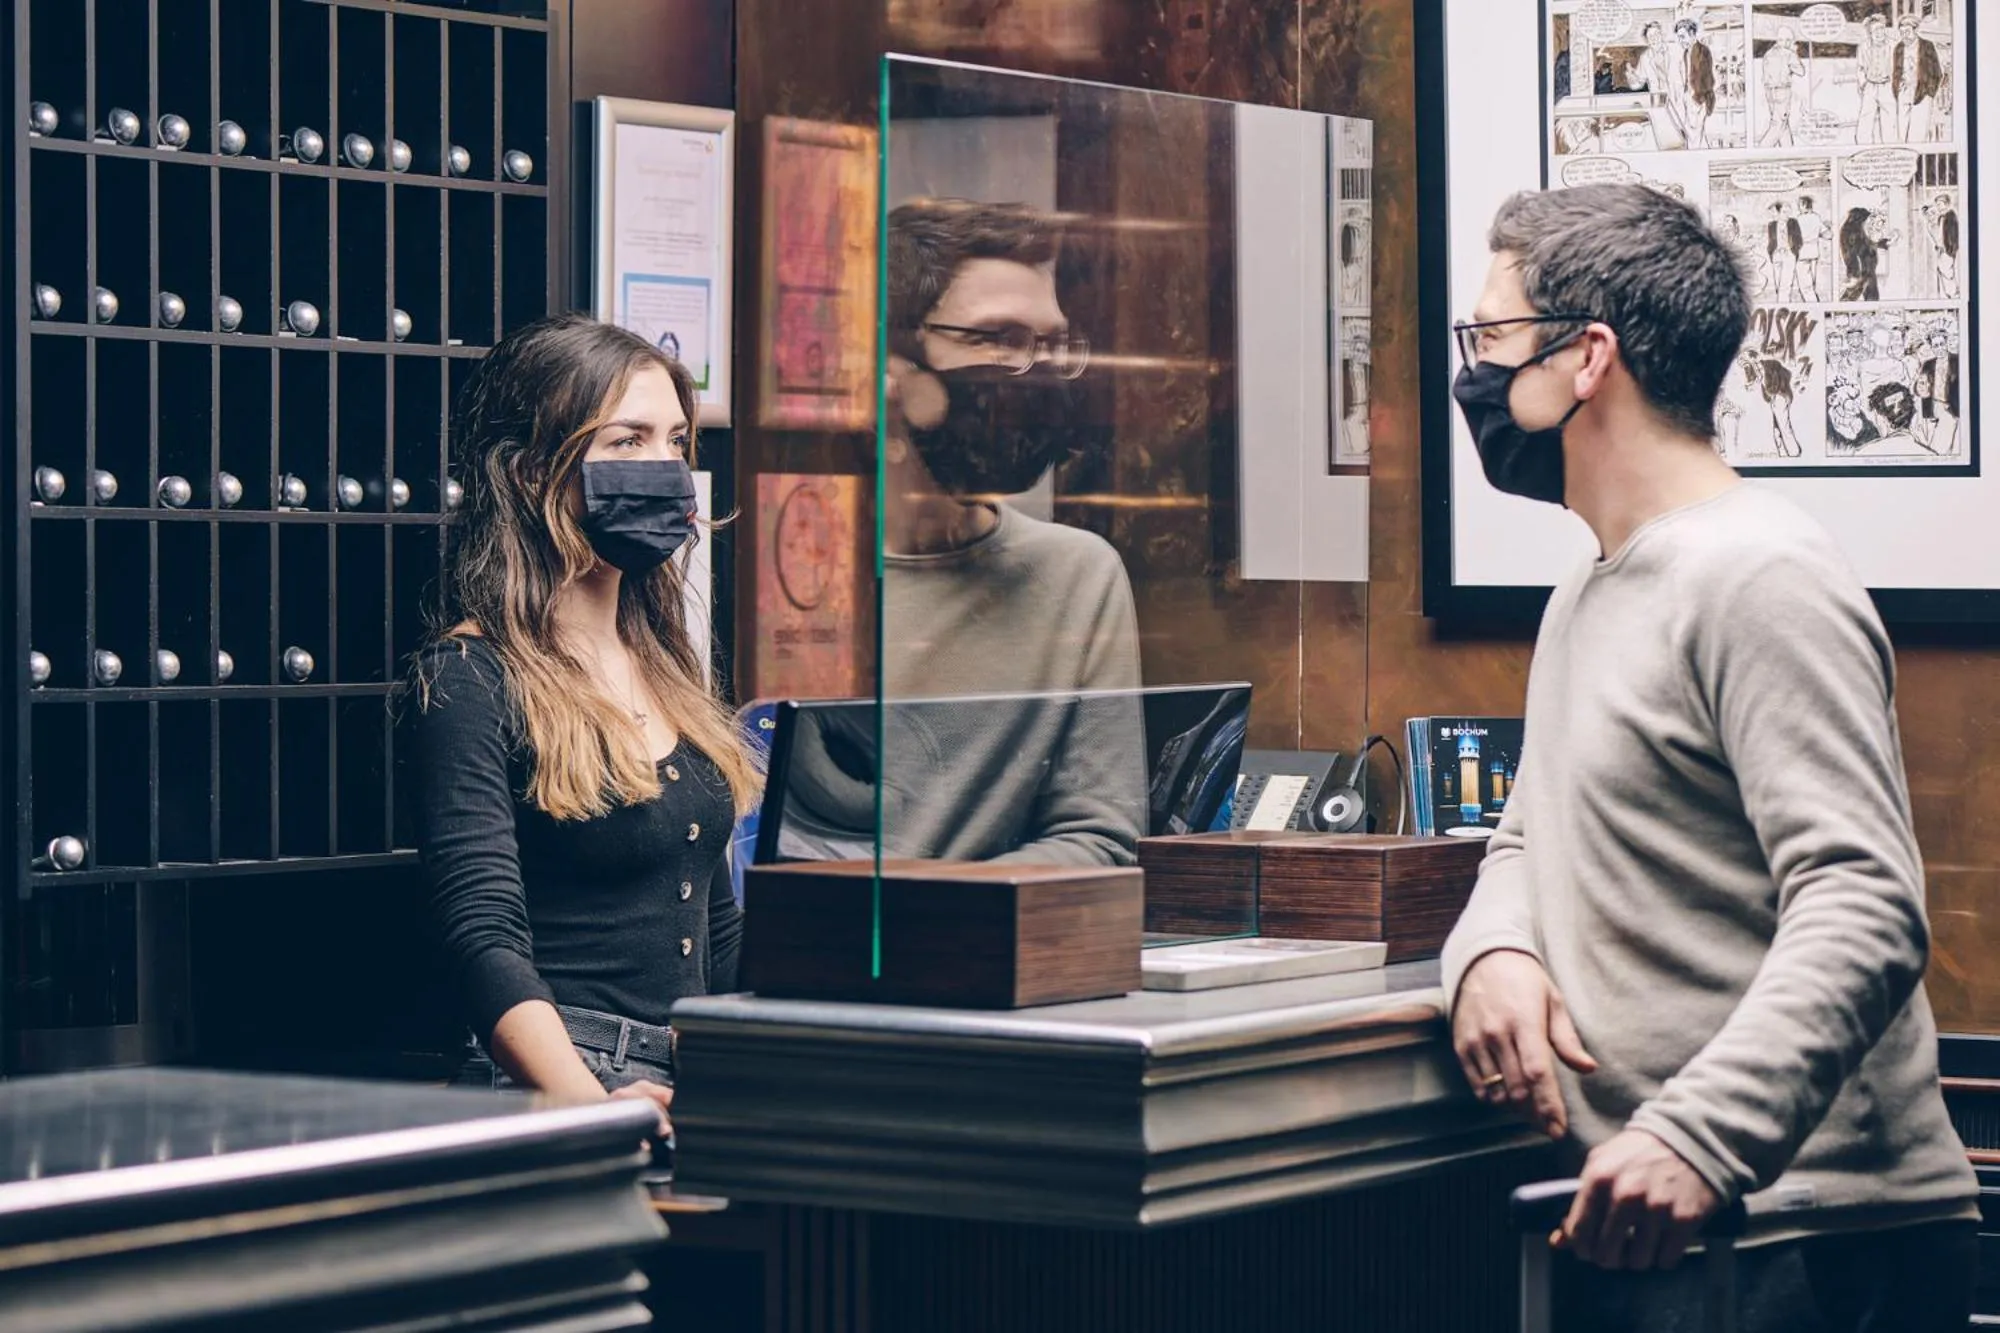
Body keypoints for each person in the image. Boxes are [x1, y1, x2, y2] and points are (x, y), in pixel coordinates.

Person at [1443, 183, 1978, 1332]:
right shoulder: (1589, 580)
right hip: (1650, 1220)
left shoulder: (1758, 574)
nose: (1474, 374)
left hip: (1803, 1238)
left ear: (1584, 358)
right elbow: (1529, 835)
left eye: (1488, 337)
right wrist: (1489, 952)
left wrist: (1697, 1135)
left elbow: (1863, 902)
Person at [403, 315, 760, 1127]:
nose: (663, 467)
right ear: (534, 473)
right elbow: (483, 937)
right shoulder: (468, 677)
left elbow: (717, 921)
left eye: (674, 443)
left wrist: (758, 1062)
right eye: (627, 442)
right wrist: (589, 1109)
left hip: (685, 1072)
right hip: (557, 1085)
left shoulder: (671, 666)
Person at [782, 198, 1146, 866]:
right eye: (999, 339)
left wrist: (932, 925)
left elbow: (1099, 838)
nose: (1033, 372)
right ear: (889, 368)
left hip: (980, 952)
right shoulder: (783, 574)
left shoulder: (1076, 574)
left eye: (1051, 343)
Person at [1892, 14, 1944, 142]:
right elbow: (1896, 71)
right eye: (1902, 32)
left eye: (1907, 32)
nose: (1904, 35)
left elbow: (1937, 72)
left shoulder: (1927, 46)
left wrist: (1930, 93)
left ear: (1916, 30)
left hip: (1923, 92)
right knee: (1901, 133)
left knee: (1918, 134)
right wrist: (1896, 89)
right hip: (1903, 92)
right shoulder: (1899, 47)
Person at [1671, 18, 1716, 150]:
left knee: (1694, 136)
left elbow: (1707, 79)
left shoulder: (1703, 51)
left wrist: (1698, 98)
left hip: (1698, 99)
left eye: (1683, 37)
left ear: (1692, 34)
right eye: (1679, 38)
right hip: (1689, 99)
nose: (1681, 41)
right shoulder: (1686, 53)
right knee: (1693, 135)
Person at [1758, 28, 1804, 147]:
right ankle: (1761, 150)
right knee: (1778, 125)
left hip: (1769, 92)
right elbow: (1801, 71)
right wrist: (1795, 53)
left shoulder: (1768, 54)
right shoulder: (1789, 54)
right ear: (1788, 41)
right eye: (1790, 41)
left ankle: (1788, 149)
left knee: (1782, 124)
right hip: (1782, 92)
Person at [1855, 15, 1896, 144]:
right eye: (1875, 30)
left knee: (1889, 118)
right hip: (1870, 86)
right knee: (1866, 117)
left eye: (1881, 29)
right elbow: (1860, 67)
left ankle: (1890, 146)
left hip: (1887, 85)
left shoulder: (1893, 45)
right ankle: (1862, 146)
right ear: (1869, 32)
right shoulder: (1863, 46)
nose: (1879, 33)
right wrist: (1863, 84)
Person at [1924, 192, 1960, 299]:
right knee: (1942, 269)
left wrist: (1950, 248)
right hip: (1942, 249)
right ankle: (1949, 294)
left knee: (1947, 271)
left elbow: (1953, 235)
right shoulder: (1941, 218)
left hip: (1948, 250)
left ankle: (1953, 294)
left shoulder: (1951, 216)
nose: (1938, 207)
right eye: (1937, 204)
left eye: (1940, 204)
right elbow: (1940, 234)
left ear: (1946, 204)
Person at [1795, 194, 1826, 301]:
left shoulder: (1799, 219)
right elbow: (1827, 234)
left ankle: (1814, 306)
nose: (1798, 208)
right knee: (1812, 284)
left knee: (1805, 287)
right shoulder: (1816, 218)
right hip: (1814, 253)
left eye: (1799, 205)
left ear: (1804, 205)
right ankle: (1816, 304)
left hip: (1802, 254)